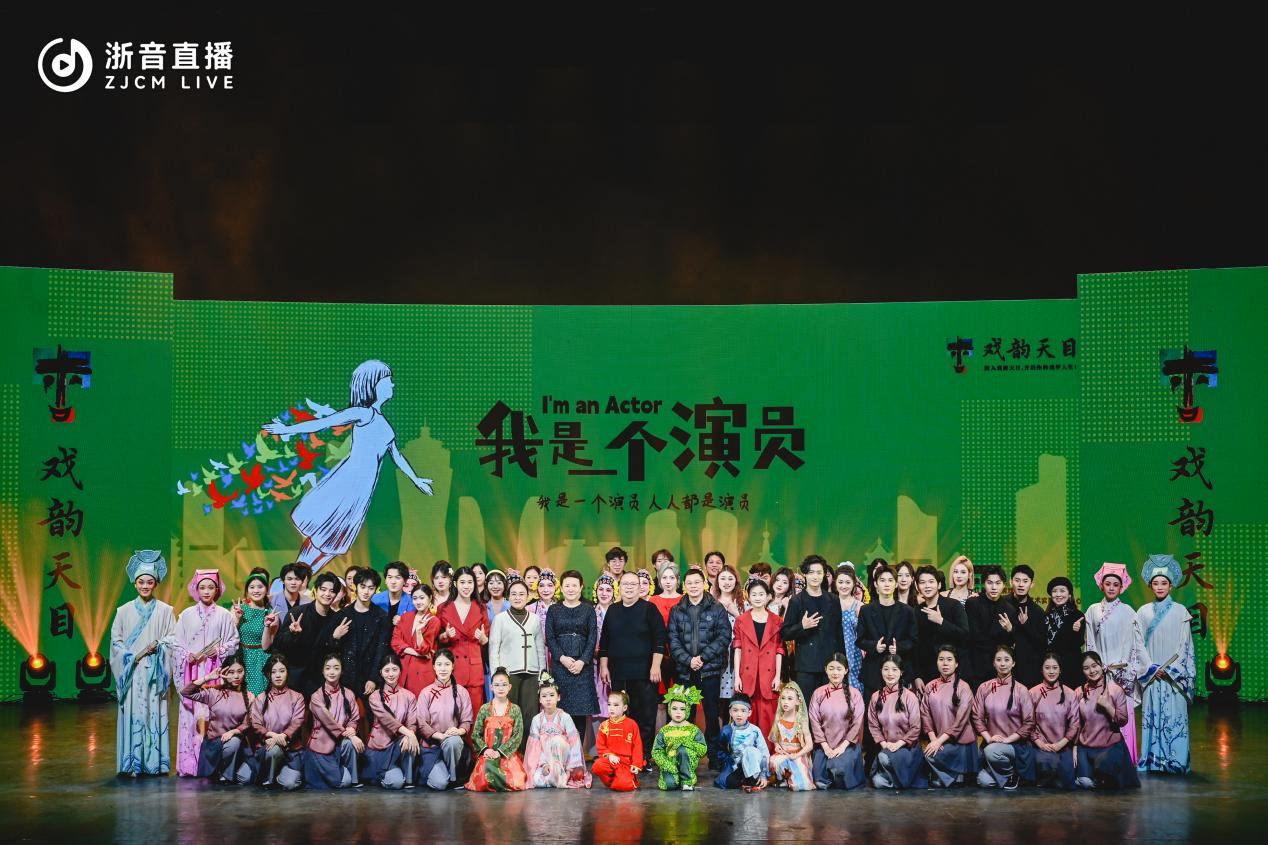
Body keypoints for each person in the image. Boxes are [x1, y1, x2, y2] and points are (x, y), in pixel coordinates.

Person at [261, 359, 434, 575]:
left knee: (332, 542)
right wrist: (287, 430)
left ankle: (303, 577)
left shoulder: (384, 422)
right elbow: (325, 422)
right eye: (388, 380)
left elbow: (396, 455)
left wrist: (416, 479)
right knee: (322, 535)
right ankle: (295, 576)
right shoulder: (364, 413)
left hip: (362, 490)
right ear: (373, 384)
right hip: (348, 482)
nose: (392, 384)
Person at [111, 550, 177, 777]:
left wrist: (159, 645)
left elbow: (173, 638)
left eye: (150, 582)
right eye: (141, 582)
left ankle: (155, 763)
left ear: (156, 583)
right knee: (135, 714)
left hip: (155, 672)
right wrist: (132, 658)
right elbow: (116, 642)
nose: (145, 586)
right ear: (135, 583)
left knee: (153, 714)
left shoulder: (166, 611)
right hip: (132, 672)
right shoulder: (123, 611)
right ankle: (132, 763)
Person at [173, 569, 240, 776]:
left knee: (213, 715)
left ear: (217, 589)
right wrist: (188, 656)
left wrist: (219, 650)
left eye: (211, 587)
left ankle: (212, 765)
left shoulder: (224, 615)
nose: (206, 591)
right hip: (192, 672)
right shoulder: (186, 615)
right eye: (202, 587)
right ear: (196, 589)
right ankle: (189, 765)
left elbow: (234, 642)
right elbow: (176, 645)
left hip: (214, 672)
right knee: (191, 717)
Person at [1136, 553, 1195, 774]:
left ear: (1171, 586)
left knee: (1175, 717)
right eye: (1156, 583)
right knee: (1152, 716)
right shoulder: (1143, 612)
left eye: (1164, 583)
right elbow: (1137, 644)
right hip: (1153, 674)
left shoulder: (1181, 612)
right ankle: (1152, 760)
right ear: (1150, 586)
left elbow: (1185, 645)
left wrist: (1170, 669)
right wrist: (1151, 668)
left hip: (1173, 676)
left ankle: (1176, 761)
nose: (1159, 587)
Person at [599, 570, 667, 763]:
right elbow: (605, 641)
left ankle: (643, 756)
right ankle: (623, 756)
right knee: (621, 716)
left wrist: (656, 666)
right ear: (619, 587)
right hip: (619, 673)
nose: (629, 587)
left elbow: (660, 640)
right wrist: (604, 667)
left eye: (633, 584)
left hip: (645, 673)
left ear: (640, 587)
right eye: (625, 584)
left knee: (644, 716)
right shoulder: (613, 610)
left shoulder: (649, 609)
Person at [1084, 562, 1148, 763]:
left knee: (1120, 713)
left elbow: (1133, 644)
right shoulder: (1093, 610)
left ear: (1122, 587)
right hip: (1100, 671)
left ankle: (1125, 759)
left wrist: (1123, 667)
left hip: (1121, 672)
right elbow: (1090, 641)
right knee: (1099, 714)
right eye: (1108, 583)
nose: (1111, 587)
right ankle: (1100, 759)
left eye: (1115, 584)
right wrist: (1095, 666)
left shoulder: (1129, 612)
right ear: (1101, 585)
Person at [667, 568, 731, 768]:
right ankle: (687, 757)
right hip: (685, 672)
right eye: (689, 583)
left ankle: (714, 757)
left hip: (709, 671)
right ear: (684, 586)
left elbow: (724, 637)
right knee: (686, 715)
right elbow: (673, 640)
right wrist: (688, 660)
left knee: (712, 716)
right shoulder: (677, 610)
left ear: (704, 584)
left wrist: (702, 658)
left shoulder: (717, 608)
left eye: (697, 582)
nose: (693, 586)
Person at [180, 650, 253, 784]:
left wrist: (234, 731)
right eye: (231, 672)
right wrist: (208, 677)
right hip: (215, 745)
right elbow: (186, 692)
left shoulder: (249, 696)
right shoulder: (215, 692)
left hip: (238, 745)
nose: (236, 676)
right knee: (233, 743)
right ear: (224, 673)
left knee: (247, 778)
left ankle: (224, 771)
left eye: (240, 671)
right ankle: (225, 776)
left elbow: (248, 723)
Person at [972, 645, 1036, 789]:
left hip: (1016, 746)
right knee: (983, 781)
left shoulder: (1021, 690)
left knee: (992, 751)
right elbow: (977, 716)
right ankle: (1012, 775)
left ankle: (1011, 774)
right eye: (999, 660)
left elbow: (1029, 722)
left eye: (1007, 660)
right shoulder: (984, 687)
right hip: (992, 743)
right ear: (994, 663)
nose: (1002, 663)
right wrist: (989, 738)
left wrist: (1007, 740)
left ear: (1013, 663)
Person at [782, 555, 845, 703]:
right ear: (805, 574)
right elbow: (785, 633)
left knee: (829, 706)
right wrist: (802, 626)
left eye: (819, 572)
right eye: (811, 572)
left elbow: (839, 633)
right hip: (806, 665)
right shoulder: (796, 601)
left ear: (824, 574)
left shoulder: (833, 600)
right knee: (806, 705)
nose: (815, 576)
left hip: (829, 664)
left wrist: (841, 662)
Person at [545, 570, 599, 740]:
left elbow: (592, 638)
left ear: (581, 587)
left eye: (574, 585)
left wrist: (582, 661)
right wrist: (562, 658)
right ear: (561, 588)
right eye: (567, 585)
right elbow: (550, 637)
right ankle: (559, 751)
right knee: (560, 710)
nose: (570, 589)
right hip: (560, 666)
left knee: (580, 713)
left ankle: (577, 753)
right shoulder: (554, 609)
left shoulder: (588, 609)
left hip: (582, 667)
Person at [322, 567, 391, 703]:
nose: (366, 592)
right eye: (363, 587)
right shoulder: (342, 615)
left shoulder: (381, 616)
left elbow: (381, 649)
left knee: (373, 714)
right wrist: (335, 637)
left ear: (376, 589)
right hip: (345, 677)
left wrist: (373, 678)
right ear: (355, 587)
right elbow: (330, 649)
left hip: (369, 677)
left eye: (371, 588)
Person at [1074, 651, 1141, 790]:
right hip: (1086, 748)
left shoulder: (1115, 690)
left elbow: (1122, 720)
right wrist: (1075, 748)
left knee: (1105, 771)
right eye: (1086, 668)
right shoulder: (1079, 692)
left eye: (1094, 666)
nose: (1092, 671)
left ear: (1101, 666)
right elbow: (1076, 724)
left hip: (1110, 747)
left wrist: (1107, 706)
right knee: (1085, 782)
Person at [269, 571, 341, 696]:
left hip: (319, 679)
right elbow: (279, 645)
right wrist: (292, 634)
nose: (327, 594)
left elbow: (333, 653)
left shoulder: (336, 619)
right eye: (323, 589)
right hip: (294, 678)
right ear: (315, 591)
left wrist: (334, 638)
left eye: (332, 591)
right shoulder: (297, 613)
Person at [490, 577, 542, 748]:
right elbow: (494, 648)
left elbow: (540, 648)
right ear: (508, 596)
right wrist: (496, 676)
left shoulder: (534, 619)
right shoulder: (500, 619)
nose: (518, 597)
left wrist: (542, 673)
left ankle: (527, 753)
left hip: (531, 673)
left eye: (521, 594)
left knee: (529, 716)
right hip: (509, 674)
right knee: (509, 715)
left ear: (528, 596)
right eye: (514, 594)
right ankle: (508, 753)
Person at [731, 578, 784, 740]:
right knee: (747, 712)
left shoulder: (777, 621)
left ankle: (768, 751)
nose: (758, 598)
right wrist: (737, 676)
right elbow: (737, 649)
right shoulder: (741, 620)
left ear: (768, 596)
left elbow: (779, 650)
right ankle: (745, 750)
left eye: (761, 594)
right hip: (747, 673)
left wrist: (778, 676)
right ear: (748, 596)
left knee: (768, 715)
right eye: (754, 594)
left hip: (769, 674)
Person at [919, 645, 979, 788]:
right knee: (925, 755)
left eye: (949, 660)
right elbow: (925, 715)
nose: (945, 663)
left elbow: (960, 723)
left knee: (929, 756)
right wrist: (934, 740)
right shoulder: (930, 686)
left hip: (960, 743)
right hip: (939, 741)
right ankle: (951, 777)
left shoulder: (964, 687)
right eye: (941, 659)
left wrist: (939, 741)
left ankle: (951, 776)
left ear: (956, 664)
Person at [856, 565, 917, 700]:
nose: (886, 584)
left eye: (890, 580)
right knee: (871, 710)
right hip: (873, 672)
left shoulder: (907, 611)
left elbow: (913, 640)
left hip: (899, 671)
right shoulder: (866, 610)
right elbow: (860, 640)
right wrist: (874, 646)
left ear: (896, 584)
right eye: (882, 580)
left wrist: (899, 647)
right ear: (876, 585)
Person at [416, 649, 474, 790]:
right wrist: (440, 736)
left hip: (453, 745)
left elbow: (467, 721)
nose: (443, 669)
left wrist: (458, 731)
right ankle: (446, 775)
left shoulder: (462, 692)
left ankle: (453, 778)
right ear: (434, 667)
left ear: (453, 666)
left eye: (447, 664)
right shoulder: (426, 692)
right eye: (439, 664)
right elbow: (422, 724)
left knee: (453, 741)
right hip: (432, 747)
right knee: (440, 784)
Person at [303, 653, 363, 789]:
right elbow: (329, 722)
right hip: (321, 746)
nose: (332, 672)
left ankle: (353, 779)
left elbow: (354, 718)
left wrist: (352, 728)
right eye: (328, 668)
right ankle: (343, 775)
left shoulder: (349, 694)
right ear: (323, 671)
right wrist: (351, 736)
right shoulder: (316, 696)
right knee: (342, 782)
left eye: (336, 668)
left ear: (341, 671)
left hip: (340, 743)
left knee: (350, 744)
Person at [247, 653, 305, 790]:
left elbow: (297, 722)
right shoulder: (261, 698)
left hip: (290, 750)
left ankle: (275, 776)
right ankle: (268, 777)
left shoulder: (297, 697)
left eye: (282, 671)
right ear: (269, 675)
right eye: (274, 672)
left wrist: (282, 736)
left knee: (291, 784)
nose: (278, 675)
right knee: (273, 751)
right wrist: (272, 735)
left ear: (287, 673)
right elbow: (255, 723)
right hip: (268, 748)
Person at [808, 654, 866, 790]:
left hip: (847, 745)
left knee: (838, 769)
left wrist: (842, 747)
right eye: (831, 668)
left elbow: (857, 724)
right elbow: (814, 721)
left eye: (839, 669)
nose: (835, 672)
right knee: (820, 781)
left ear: (846, 670)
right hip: (825, 745)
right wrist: (826, 747)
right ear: (826, 670)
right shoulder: (818, 693)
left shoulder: (855, 694)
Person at [867, 656, 925, 791]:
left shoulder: (909, 696)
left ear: (901, 672)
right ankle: (901, 779)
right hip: (887, 747)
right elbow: (873, 726)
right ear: (881, 671)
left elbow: (916, 727)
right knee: (877, 781)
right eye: (886, 669)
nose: (890, 673)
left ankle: (902, 777)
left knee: (883, 758)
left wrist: (898, 744)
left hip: (907, 748)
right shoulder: (875, 697)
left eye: (894, 669)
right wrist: (884, 744)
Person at [466, 667, 528, 792]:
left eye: (504, 685)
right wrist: (486, 750)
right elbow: (476, 734)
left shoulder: (515, 709)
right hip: (488, 754)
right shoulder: (484, 708)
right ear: (491, 687)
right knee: (485, 772)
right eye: (497, 685)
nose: (500, 688)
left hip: (507, 755)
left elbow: (518, 735)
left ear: (509, 687)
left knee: (515, 781)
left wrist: (500, 752)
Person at [364, 653, 421, 789]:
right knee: (395, 783)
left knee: (410, 740)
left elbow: (412, 723)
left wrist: (410, 734)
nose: (391, 674)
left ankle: (408, 779)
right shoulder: (374, 697)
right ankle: (385, 775)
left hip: (399, 747)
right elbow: (388, 720)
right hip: (380, 748)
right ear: (381, 673)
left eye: (394, 669)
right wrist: (409, 733)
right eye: (387, 670)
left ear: (400, 671)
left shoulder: (409, 696)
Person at [524, 674, 591, 788]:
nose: (548, 699)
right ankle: (552, 774)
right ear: (539, 699)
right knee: (536, 780)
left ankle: (562, 773)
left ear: (558, 697)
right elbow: (535, 748)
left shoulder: (565, 717)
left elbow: (574, 743)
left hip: (563, 759)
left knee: (556, 741)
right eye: (544, 696)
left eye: (552, 695)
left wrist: (571, 767)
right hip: (545, 759)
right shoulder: (536, 719)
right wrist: (544, 764)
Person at [438, 565, 489, 712]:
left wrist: (483, 638)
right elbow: (437, 638)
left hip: (474, 669)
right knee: (452, 713)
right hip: (452, 667)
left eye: (470, 582)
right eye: (462, 582)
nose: (466, 586)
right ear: (455, 583)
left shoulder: (481, 608)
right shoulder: (443, 608)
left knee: (474, 712)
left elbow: (486, 639)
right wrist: (445, 635)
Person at [912, 564, 969, 686]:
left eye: (931, 581)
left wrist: (941, 621)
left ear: (939, 585)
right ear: (917, 586)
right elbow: (915, 647)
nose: (927, 586)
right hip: (927, 674)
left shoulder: (954, 605)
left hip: (953, 673)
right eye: (922, 582)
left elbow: (965, 635)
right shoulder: (917, 611)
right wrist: (917, 676)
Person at [1029, 653, 1079, 789]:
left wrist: (1060, 744)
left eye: (1055, 668)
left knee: (1068, 779)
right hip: (1040, 746)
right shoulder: (1033, 693)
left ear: (1060, 670)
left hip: (1063, 745)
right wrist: (1039, 743)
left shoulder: (1070, 694)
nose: (1051, 671)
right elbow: (1028, 722)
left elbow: (1074, 724)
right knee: (1047, 764)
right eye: (1047, 668)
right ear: (1041, 670)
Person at [651, 685, 708, 791]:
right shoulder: (664, 730)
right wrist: (668, 765)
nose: (678, 712)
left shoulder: (693, 729)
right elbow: (656, 752)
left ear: (688, 710)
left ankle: (687, 780)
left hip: (687, 765)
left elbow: (702, 749)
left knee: (682, 750)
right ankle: (673, 776)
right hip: (670, 764)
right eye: (674, 708)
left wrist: (685, 743)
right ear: (669, 709)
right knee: (669, 785)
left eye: (682, 709)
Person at [964, 565, 1014, 686]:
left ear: (1004, 585)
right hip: (976, 666)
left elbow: (1009, 644)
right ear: (983, 584)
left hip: (999, 669)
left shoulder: (1010, 609)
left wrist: (1009, 629)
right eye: (989, 583)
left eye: (998, 583)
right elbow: (973, 636)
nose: (994, 587)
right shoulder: (973, 603)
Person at [1000, 564, 1048, 687]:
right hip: (1002, 666)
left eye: (1025, 581)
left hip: (1028, 671)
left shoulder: (1037, 611)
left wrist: (1026, 625)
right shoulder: (1001, 603)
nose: (1021, 585)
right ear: (1011, 582)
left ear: (1032, 584)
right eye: (1017, 580)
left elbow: (1041, 643)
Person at [234, 567, 277, 695]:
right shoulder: (239, 609)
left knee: (258, 697)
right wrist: (237, 619)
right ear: (247, 590)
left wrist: (267, 625)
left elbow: (266, 646)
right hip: (240, 656)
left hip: (259, 659)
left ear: (266, 589)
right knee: (239, 697)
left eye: (260, 587)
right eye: (252, 587)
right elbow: (230, 637)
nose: (256, 590)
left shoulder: (271, 614)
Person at [392, 583, 441, 694]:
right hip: (403, 668)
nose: (418, 602)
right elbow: (395, 642)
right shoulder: (406, 617)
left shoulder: (434, 621)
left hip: (421, 670)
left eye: (422, 598)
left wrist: (418, 632)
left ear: (430, 598)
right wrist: (416, 653)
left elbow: (424, 649)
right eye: (415, 598)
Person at [715, 694, 769, 791]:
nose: (739, 714)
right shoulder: (726, 730)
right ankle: (744, 778)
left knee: (750, 750)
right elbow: (720, 750)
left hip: (753, 764)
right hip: (735, 765)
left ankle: (751, 777)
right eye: (735, 710)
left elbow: (764, 752)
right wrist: (728, 763)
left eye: (743, 711)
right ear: (730, 712)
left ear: (749, 713)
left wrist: (763, 774)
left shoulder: (755, 730)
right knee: (726, 782)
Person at [592, 690, 644, 791]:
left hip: (625, 763)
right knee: (597, 766)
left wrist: (636, 764)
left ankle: (627, 779)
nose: (611, 708)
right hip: (611, 760)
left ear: (624, 708)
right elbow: (600, 746)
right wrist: (610, 755)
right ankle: (614, 781)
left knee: (622, 786)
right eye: (609, 704)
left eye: (616, 705)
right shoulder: (604, 725)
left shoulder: (632, 724)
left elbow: (637, 746)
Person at [768, 682, 816, 791]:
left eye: (790, 699)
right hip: (784, 755)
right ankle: (784, 778)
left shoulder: (801, 720)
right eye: (783, 698)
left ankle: (793, 777)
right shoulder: (779, 718)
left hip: (797, 755)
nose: (785, 702)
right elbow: (775, 738)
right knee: (775, 760)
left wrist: (797, 755)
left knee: (801, 786)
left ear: (798, 701)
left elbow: (810, 745)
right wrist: (777, 746)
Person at [712, 564, 743, 718]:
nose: (726, 582)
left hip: (737, 655)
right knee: (715, 700)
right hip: (715, 655)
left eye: (730, 578)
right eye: (723, 578)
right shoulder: (710, 602)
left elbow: (749, 628)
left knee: (734, 699)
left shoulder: (743, 603)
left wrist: (736, 613)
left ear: (736, 581)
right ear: (717, 581)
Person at [1044, 576, 1086, 689]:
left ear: (1069, 594)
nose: (1058, 594)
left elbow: (1079, 643)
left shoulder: (1077, 615)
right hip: (1051, 668)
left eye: (1062, 591)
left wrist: (1075, 631)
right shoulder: (1046, 616)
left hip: (1071, 668)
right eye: (1055, 591)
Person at [649, 557, 683, 692]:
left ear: (677, 579)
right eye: (664, 577)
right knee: (659, 695)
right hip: (658, 654)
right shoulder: (653, 601)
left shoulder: (684, 600)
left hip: (680, 655)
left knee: (679, 695)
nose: (668, 581)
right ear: (659, 579)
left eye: (672, 578)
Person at [833, 565, 864, 692]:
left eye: (848, 582)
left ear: (854, 583)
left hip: (854, 652)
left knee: (854, 687)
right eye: (840, 582)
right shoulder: (830, 603)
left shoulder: (859, 606)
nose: (844, 586)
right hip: (833, 650)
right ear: (835, 583)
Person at [592, 574, 616, 722]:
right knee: (596, 701)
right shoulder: (590, 612)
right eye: (601, 589)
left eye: (608, 590)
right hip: (594, 663)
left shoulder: (619, 612)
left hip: (614, 662)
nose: (604, 593)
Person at [371, 561, 415, 625]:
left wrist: (403, 622)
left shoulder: (411, 603)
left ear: (405, 581)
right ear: (385, 580)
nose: (393, 582)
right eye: (390, 577)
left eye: (397, 578)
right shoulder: (374, 599)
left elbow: (413, 626)